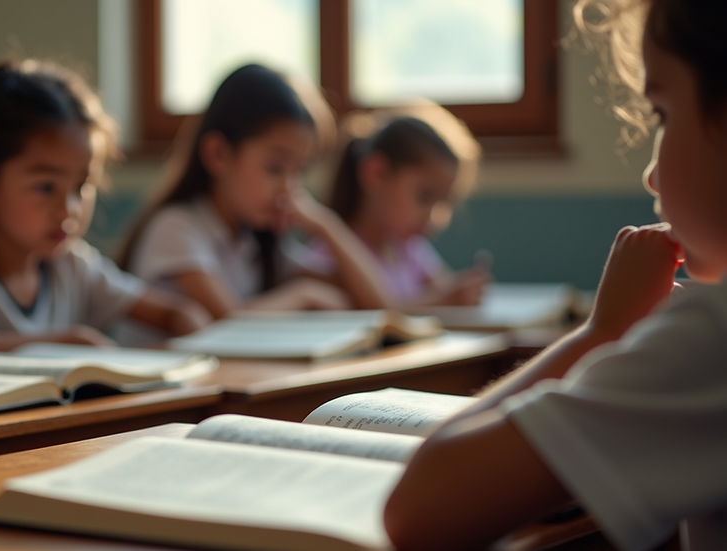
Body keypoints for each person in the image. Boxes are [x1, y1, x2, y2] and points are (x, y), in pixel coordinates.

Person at [382, 0, 727, 549]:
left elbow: (416, 509)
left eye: (662, 114)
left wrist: (604, 331)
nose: (651, 173)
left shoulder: (712, 339)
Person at [0, 59, 210, 351]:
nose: (68, 210)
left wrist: (180, 345)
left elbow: (180, 313)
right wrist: (64, 343)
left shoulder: (76, 267)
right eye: (45, 187)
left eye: (82, 186)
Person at [119, 64, 392, 326]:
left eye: (299, 172)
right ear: (219, 154)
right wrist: (303, 296)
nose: (289, 188)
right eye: (275, 168)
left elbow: (377, 304)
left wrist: (325, 225)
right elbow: (223, 324)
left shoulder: (256, 239)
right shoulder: (176, 228)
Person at [325, 105, 489, 307]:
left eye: (443, 203)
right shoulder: (332, 254)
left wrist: (462, 291)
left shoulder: (409, 250)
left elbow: (444, 286)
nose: (434, 219)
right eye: (424, 196)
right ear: (377, 174)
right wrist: (442, 300)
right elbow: (381, 311)